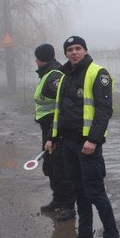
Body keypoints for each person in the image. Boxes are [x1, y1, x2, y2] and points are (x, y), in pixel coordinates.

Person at [45, 35, 120, 238]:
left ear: (85, 50)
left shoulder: (98, 73)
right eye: (69, 49)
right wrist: (52, 137)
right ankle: (85, 237)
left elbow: (104, 110)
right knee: (79, 192)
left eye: (78, 48)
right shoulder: (66, 75)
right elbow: (60, 110)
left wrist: (93, 139)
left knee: (96, 193)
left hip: (87, 145)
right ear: (65, 53)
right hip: (67, 143)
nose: (74, 52)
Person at [33, 44, 76, 221]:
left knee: (59, 167)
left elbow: (63, 104)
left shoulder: (53, 76)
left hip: (55, 128)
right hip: (48, 127)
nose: (35, 61)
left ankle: (67, 205)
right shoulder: (48, 74)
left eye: (36, 58)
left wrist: (54, 134)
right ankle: (58, 200)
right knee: (50, 166)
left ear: (40, 59)